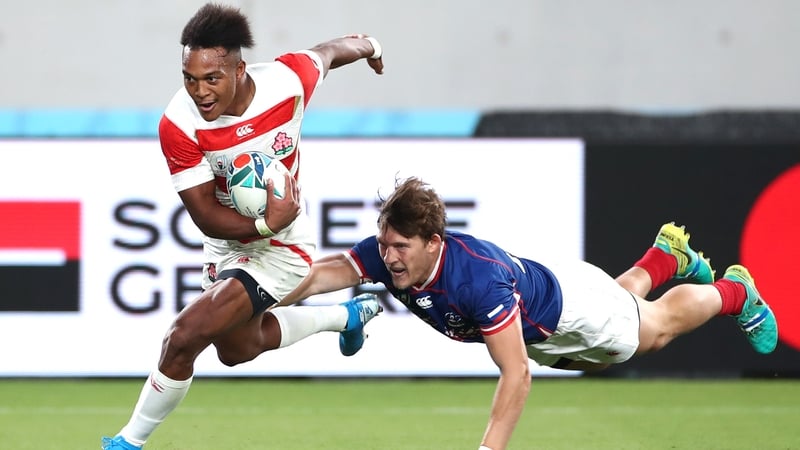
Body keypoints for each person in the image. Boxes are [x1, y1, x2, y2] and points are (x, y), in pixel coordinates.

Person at [281, 176, 779, 450]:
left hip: (571, 311)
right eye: (385, 244)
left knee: (655, 332)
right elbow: (323, 274)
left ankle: (735, 292)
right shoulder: (388, 253)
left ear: (434, 243)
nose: (388, 258)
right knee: (609, 345)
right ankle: (666, 256)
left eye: (400, 248)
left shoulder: (475, 283)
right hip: (552, 311)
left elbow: (516, 374)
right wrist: (259, 293)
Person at [101, 3, 384, 449]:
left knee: (183, 338)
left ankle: (125, 443)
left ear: (239, 68)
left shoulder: (286, 82)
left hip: (285, 249)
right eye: (190, 79)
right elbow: (204, 216)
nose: (200, 91)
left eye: (211, 78)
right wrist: (264, 223)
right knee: (237, 350)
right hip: (230, 245)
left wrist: (371, 46)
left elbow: (328, 53)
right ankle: (344, 316)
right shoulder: (178, 123)